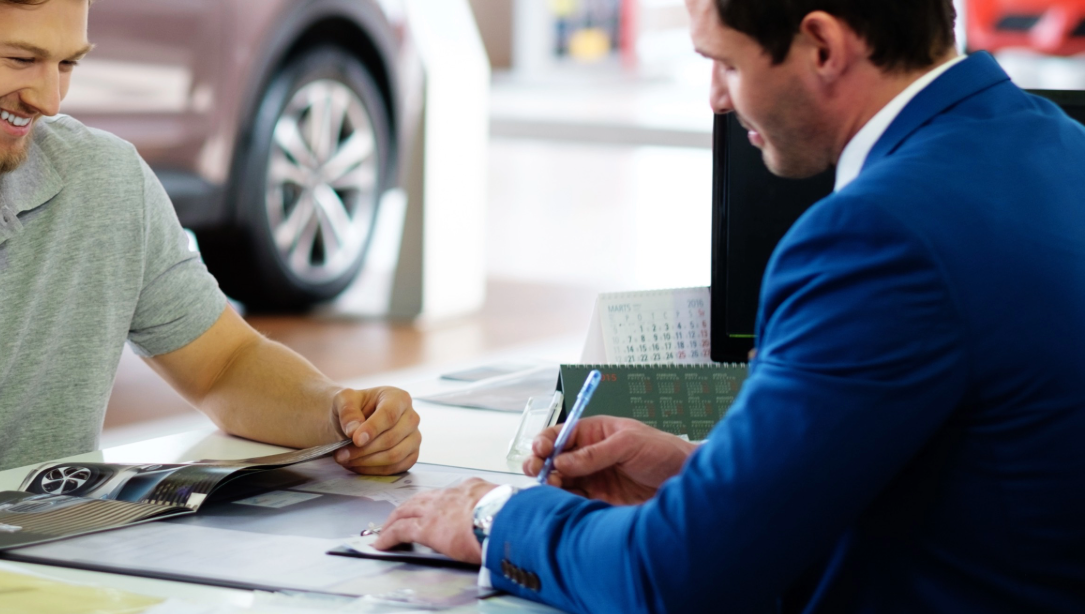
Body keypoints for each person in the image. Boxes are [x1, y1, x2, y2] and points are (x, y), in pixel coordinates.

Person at [372, 0, 1085, 612]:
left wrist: (497, 517)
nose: (716, 97)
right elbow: (965, 474)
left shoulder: (876, 235)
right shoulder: (1059, 146)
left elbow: (675, 577)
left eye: (727, 64)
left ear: (823, 46)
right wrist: (702, 476)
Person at [0, 0, 420, 504]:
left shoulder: (106, 180)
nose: (49, 99)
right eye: (20, 59)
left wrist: (340, 414)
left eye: (67, 64)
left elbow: (224, 365)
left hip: (69, 573)